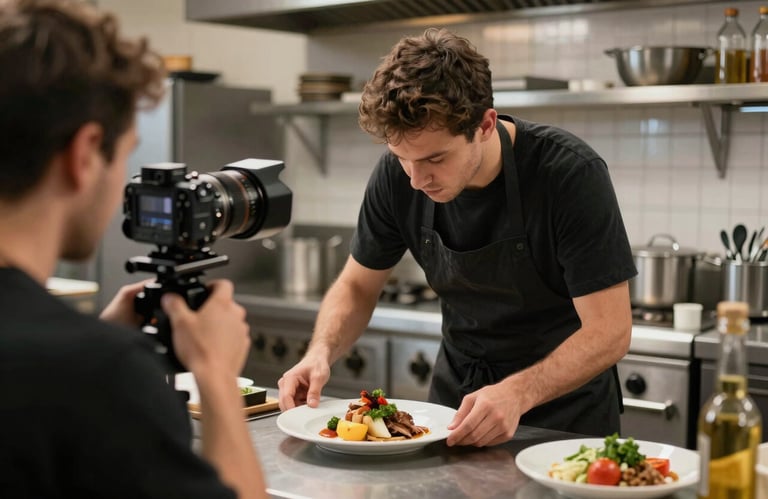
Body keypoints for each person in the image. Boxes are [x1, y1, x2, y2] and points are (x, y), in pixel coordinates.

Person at [278, 27, 637, 447]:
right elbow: (358, 286)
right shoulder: (397, 176)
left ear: (485, 125)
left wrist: (518, 392)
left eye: (435, 158)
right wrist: (320, 352)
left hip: (565, 417)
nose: (416, 180)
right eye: (402, 158)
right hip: (457, 406)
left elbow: (610, 331)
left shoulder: (569, 174)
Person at [0, 0, 266, 497]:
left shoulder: (84, 366)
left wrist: (97, 343)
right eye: (126, 154)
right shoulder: (103, 373)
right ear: (85, 155)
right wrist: (215, 375)